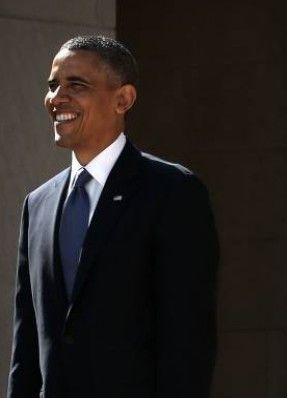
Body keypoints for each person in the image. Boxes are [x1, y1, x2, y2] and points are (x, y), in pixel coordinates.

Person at [7, 36, 219, 398]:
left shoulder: (172, 192)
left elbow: (188, 340)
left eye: (77, 85)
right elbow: (26, 344)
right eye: (53, 85)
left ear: (123, 99)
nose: (57, 98)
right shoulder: (37, 205)